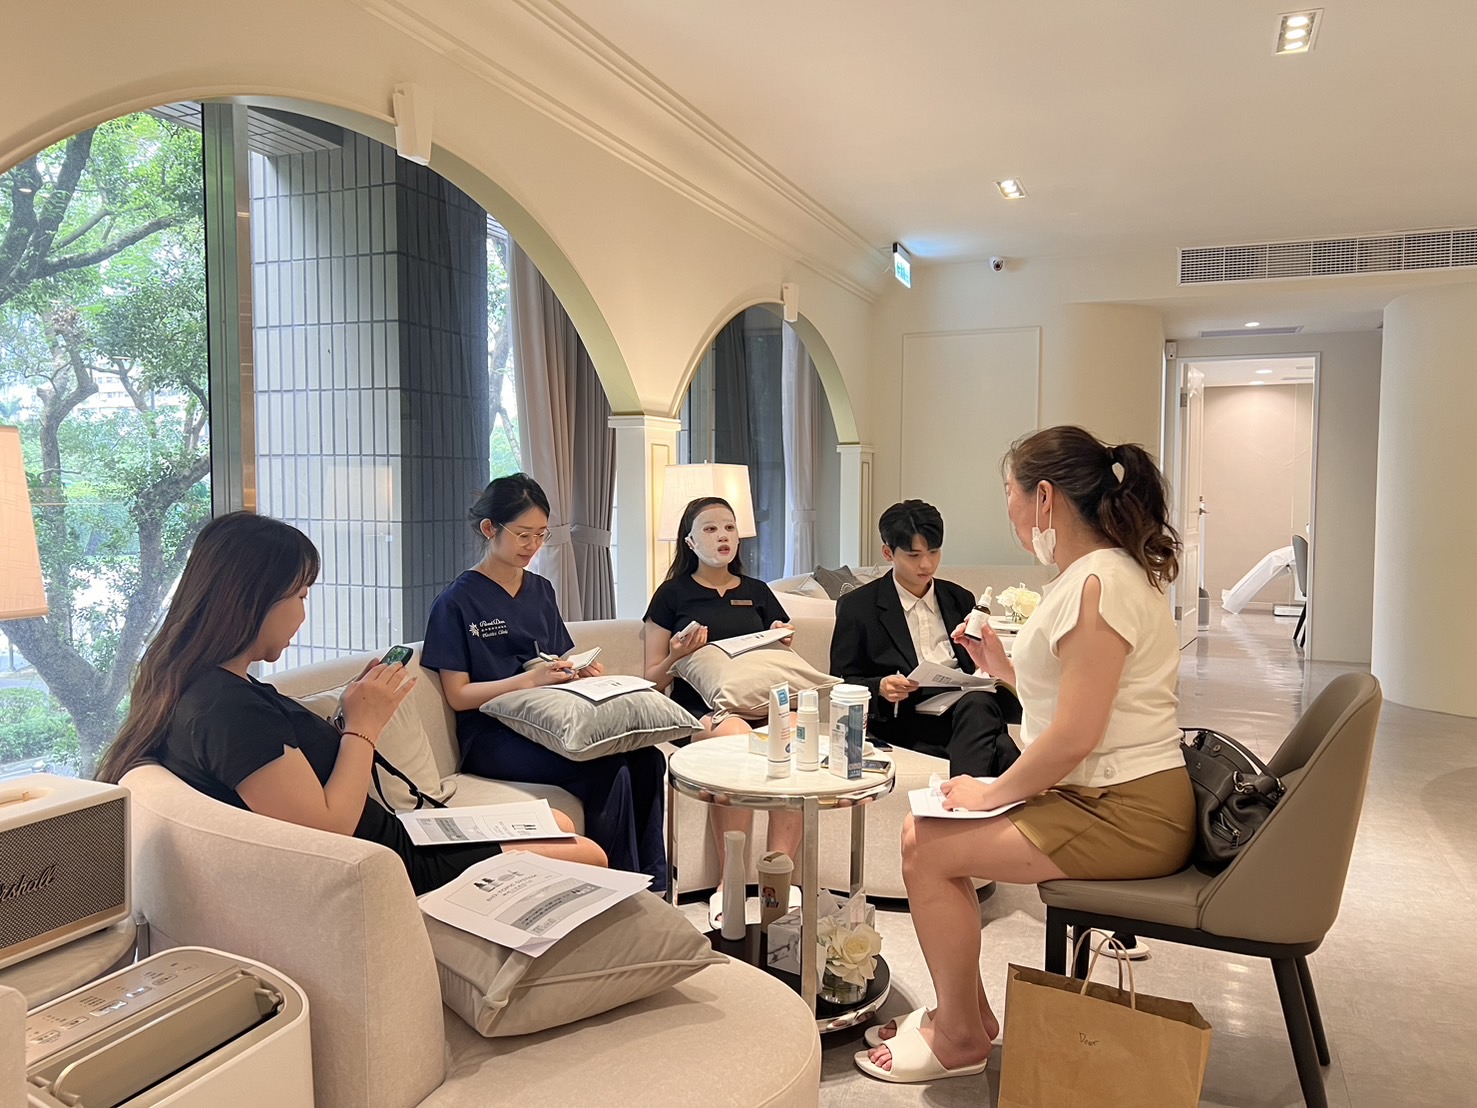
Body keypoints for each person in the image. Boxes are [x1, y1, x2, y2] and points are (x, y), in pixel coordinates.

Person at [857, 426, 1195, 1084]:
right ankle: (965, 1017)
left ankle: (960, 1034)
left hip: (1125, 810)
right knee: (924, 834)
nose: (1007, 508)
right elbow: (1085, 700)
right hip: (1107, 794)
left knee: (927, 847)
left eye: (1008, 493)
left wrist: (991, 791)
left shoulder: (1097, 584)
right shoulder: (1097, 576)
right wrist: (1003, 670)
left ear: (1043, 498)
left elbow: (1076, 735)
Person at [95, 512, 607, 897]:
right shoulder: (226, 711)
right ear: (251, 600)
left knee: (558, 824)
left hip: (397, 836)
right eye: (301, 596)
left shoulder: (206, 687)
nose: (303, 615)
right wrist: (364, 726)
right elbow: (329, 830)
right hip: (395, 862)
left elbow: (300, 779)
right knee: (588, 853)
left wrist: (347, 713)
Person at [421, 474, 668, 891]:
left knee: (647, 759)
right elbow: (458, 695)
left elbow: (556, 659)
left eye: (540, 535)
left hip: (548, 721)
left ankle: (653, 884)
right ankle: (616, 889)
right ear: (490, 528)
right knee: (607, 770)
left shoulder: (540, 589)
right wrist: (528, 681)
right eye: (523, 535)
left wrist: (577, 670)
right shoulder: (456, 602)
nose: (533, 545)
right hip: (492, 737)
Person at [642, 496, 802, 927]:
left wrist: (780, 637)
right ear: (690, 542)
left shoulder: (758, 592)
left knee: (793, 732)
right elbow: (652, 679)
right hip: (701, 709)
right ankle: (727, 884)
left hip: (761, 703)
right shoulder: (671, 595)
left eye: (729, 528)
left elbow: (779, 655)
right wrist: (676, 655)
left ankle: (778, 877)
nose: (723, 537)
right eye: (710, 529)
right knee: (735, 738)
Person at [830, 499, 1022, 778]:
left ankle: (960, 801)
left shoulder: (959, 598)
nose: (926, 564)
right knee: (1001, 745)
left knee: (979, 703)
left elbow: (974, 665)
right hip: (906, 718)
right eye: (913, 555)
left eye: (934, 552)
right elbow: (839, 681)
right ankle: (975, 799)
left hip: (965, 709)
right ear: (888, 552)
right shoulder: (858, 607)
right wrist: (879, 686)